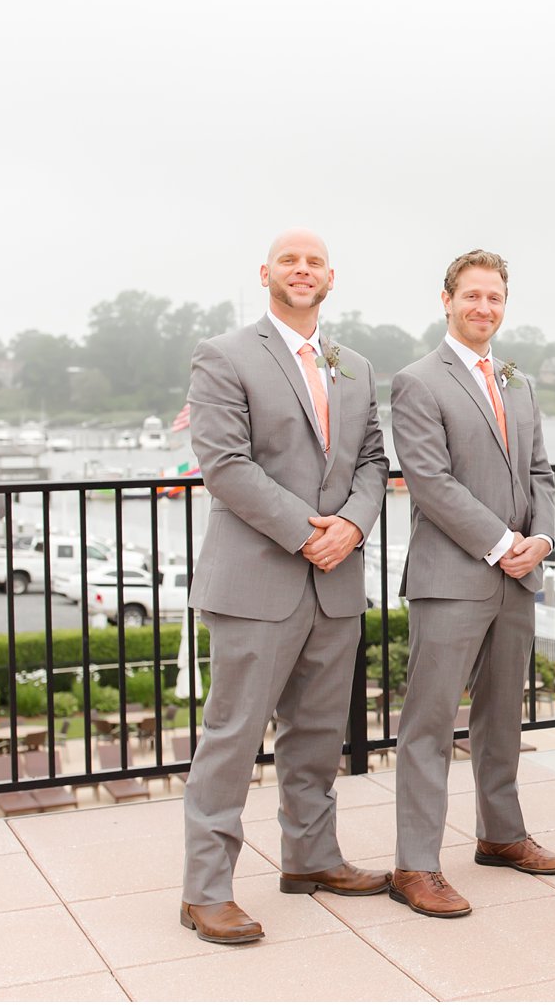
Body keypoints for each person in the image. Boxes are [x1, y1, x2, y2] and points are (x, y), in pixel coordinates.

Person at [180, 228, 391, 944]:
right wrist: (309, 532)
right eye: (290, 261)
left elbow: (371, 460)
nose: (302, 271)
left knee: (318, 735)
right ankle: (205, 890)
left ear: (331, 276)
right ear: (265, 272)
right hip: (256, 582)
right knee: (233, 737)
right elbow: (226, 464)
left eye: (314, 263)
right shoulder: (225, 356)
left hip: (336, 581)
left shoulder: (355, 364)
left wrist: (353, 527)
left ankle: (311, 857)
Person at [389, 249, 555, 918]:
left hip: (519, 578)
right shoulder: (417, 382)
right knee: (429, 724)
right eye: (472, 296)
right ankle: (416, 864)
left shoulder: (517, 383)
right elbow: (430, 483)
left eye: (494, 297)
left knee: (502, 718)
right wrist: (501, 544)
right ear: (447, 299)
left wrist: (542, 542)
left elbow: (543, 473)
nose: (484, 308)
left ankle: (500, 834)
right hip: (453, 578)